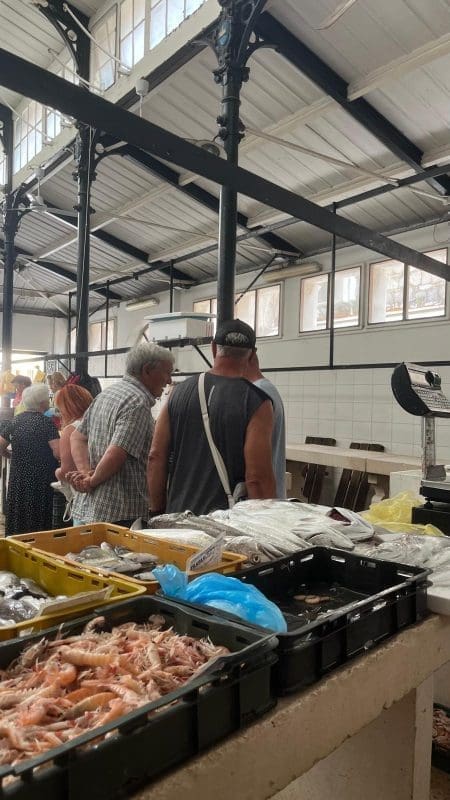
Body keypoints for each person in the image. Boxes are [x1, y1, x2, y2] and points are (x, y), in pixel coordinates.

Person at [148, 319, 275, 516]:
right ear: (252, 354)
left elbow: (156, 456)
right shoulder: (257, 402)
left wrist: (157, 510)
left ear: (214, 348)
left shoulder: (177, 393)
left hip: (177, 520)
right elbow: (256, 479)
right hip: (226, 524)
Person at [68, 342, 174, 526]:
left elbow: (77, 437)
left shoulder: (107, 394)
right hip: (120, 512)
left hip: (91, 508)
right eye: (167, 372)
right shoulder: (137, 402)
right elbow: (117, 452)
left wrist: (85, 474)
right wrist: (91, 481)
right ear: (147, 370)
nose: (169, 380)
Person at [0, 384, 60, 535]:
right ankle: (36, 541)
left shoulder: (16, 420)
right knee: (38, 511)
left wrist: (9, 455)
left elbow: (0, 445)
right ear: (42, 402)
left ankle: (16, 540)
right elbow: (58, 453)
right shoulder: (46, 423)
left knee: (19, 509)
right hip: (41, 477)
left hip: (19, 476)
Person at [246, 351, 286, 499]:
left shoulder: (258, 392)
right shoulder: (267, 388)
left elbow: (256, 472)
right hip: (272, 493)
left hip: (265, 497)